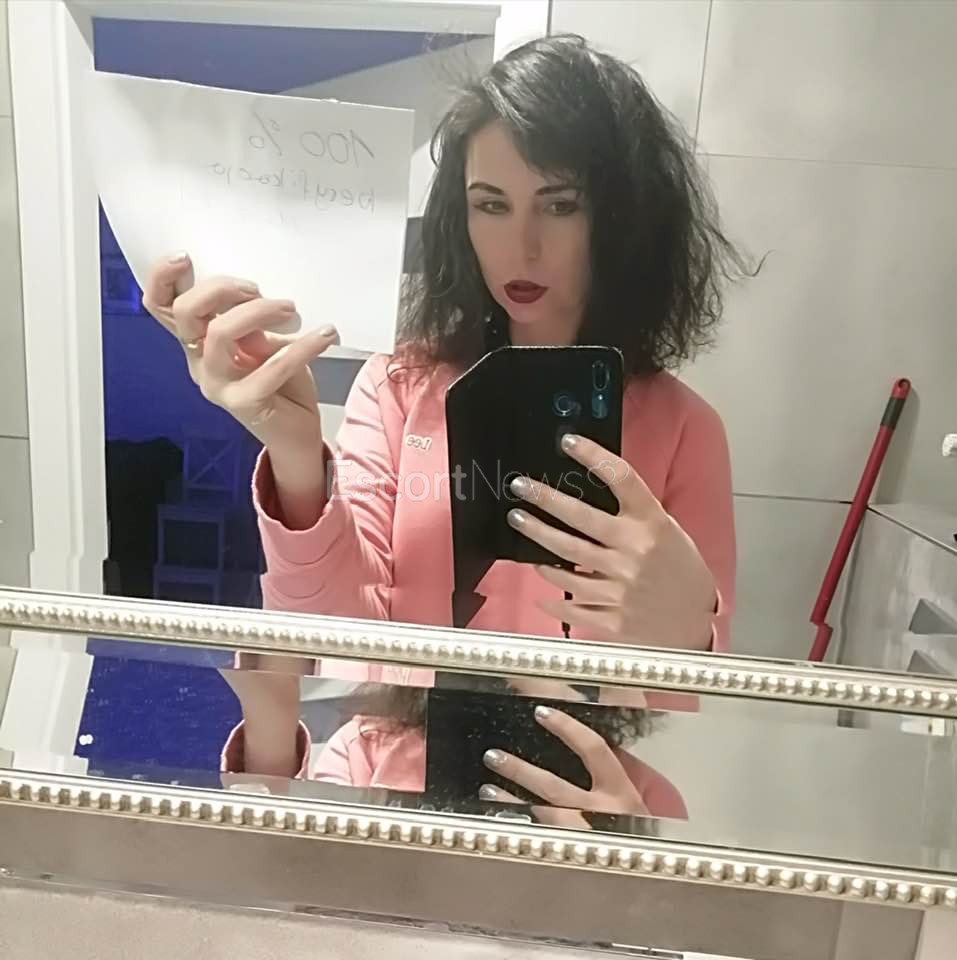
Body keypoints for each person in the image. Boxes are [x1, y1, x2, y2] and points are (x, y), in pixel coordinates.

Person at [142, 35, 757, 807]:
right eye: (489, 205)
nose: (520, 247)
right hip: (395, 777)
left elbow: (691, 694)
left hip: (583, 792)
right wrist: (296, 455)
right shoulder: (401, 389)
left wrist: (685, 629)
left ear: (622, 216)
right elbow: (338, 630)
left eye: (560, 205)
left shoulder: (682, 427)